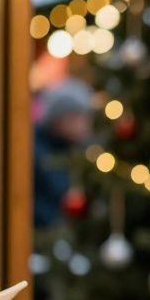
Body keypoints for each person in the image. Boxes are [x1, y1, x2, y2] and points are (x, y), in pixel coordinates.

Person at [33, 78, 94, 228]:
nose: (84, 124)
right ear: (59, 120)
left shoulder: (80, 149)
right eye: (77, 117)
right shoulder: (37, 152)